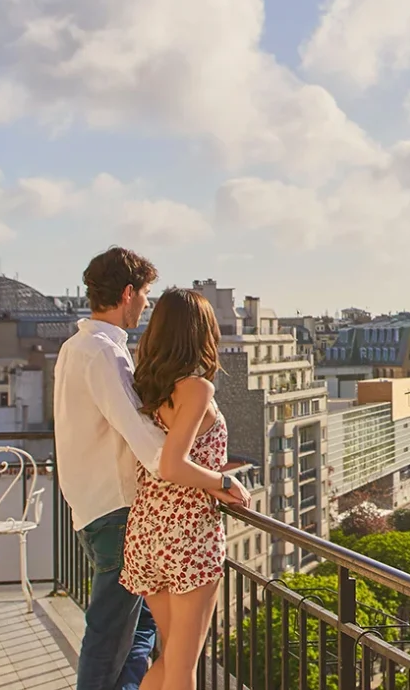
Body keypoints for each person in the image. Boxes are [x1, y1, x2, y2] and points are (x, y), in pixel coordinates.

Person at [54, 248, 171, 690]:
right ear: (127, 293)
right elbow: (146, 442)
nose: (146, 304)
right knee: (109, 635)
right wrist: (209, 477)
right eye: (145, 294)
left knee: (135, 629)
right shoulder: (104, 354)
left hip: (93, 508)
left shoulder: (75, 347)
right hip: (115, 513)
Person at [122, 289, 247, 690]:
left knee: (172, 653)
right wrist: (224, 482)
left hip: (148, 529)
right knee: (182, 666)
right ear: (201, 333)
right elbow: (174, 464)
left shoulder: (152, 388)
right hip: (187, 533)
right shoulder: (196, 388)